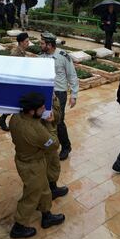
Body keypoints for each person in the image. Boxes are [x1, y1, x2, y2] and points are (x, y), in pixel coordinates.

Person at [9, 92, 65, 238]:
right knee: (31, 196)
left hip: (26, 160)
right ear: (32, 111)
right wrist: (49, 124)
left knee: (44, 188)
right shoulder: (37, 129)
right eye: (41, 108)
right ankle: (18, 227)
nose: (44, 110)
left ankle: (46, 215)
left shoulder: (15, 118)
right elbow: (54, 144)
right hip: (32, 165)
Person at [39, 32, 79, 161]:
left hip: (59, 93)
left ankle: (66, 147)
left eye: (42, 43)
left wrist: (74, 95)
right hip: (45, 92)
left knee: (59, 121)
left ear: (49, 45)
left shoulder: (63, 56)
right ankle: (48, 144)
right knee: (45, 119)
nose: (40, 45)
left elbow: (72, 75)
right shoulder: (41, 57)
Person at [0, 33, 31, 131]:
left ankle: (2, 119)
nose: (28, 43)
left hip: (20, 81)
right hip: (15, 82)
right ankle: (4, 119)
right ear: (21, 42)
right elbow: (11, 68)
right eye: (26, 41)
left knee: (16, 103)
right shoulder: (15, 53)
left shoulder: (22, 51)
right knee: (16, 102)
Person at [42, 94, 68, 199]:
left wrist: (54, 99)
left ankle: (52, 188)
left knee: (52, 163)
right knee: (49, 164)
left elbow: (57, 118)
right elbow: (54, 143)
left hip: (46, 132)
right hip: (45, 136)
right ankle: (48, 193)